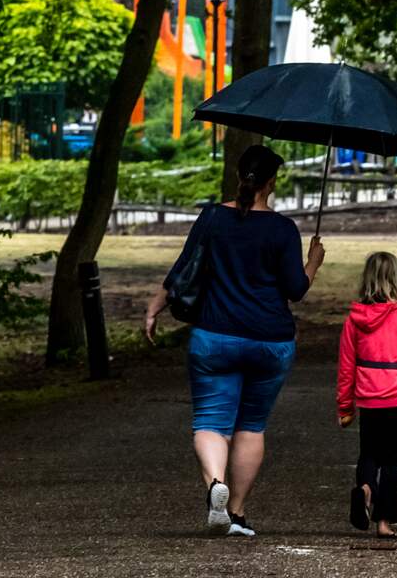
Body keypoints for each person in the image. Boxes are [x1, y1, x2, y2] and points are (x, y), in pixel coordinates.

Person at [145, 145, 326, 537]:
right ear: (271, 183)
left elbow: (184, 267)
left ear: (239, 174)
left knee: (211, 421)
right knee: (251, 426)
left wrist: (155, 307)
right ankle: (238, 514)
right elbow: (295, 290)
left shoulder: (212, 217)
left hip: (216, 337)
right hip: (270, 341)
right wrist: (313, 262)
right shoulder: (282, 228)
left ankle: (215, 485)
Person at [337, 252, 397, 539]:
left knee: (369, 452)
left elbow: (346, 366)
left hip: (369, 396)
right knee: (392, 459)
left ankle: (365, 489)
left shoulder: (354, 320)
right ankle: (384, 522)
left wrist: (345, 406)